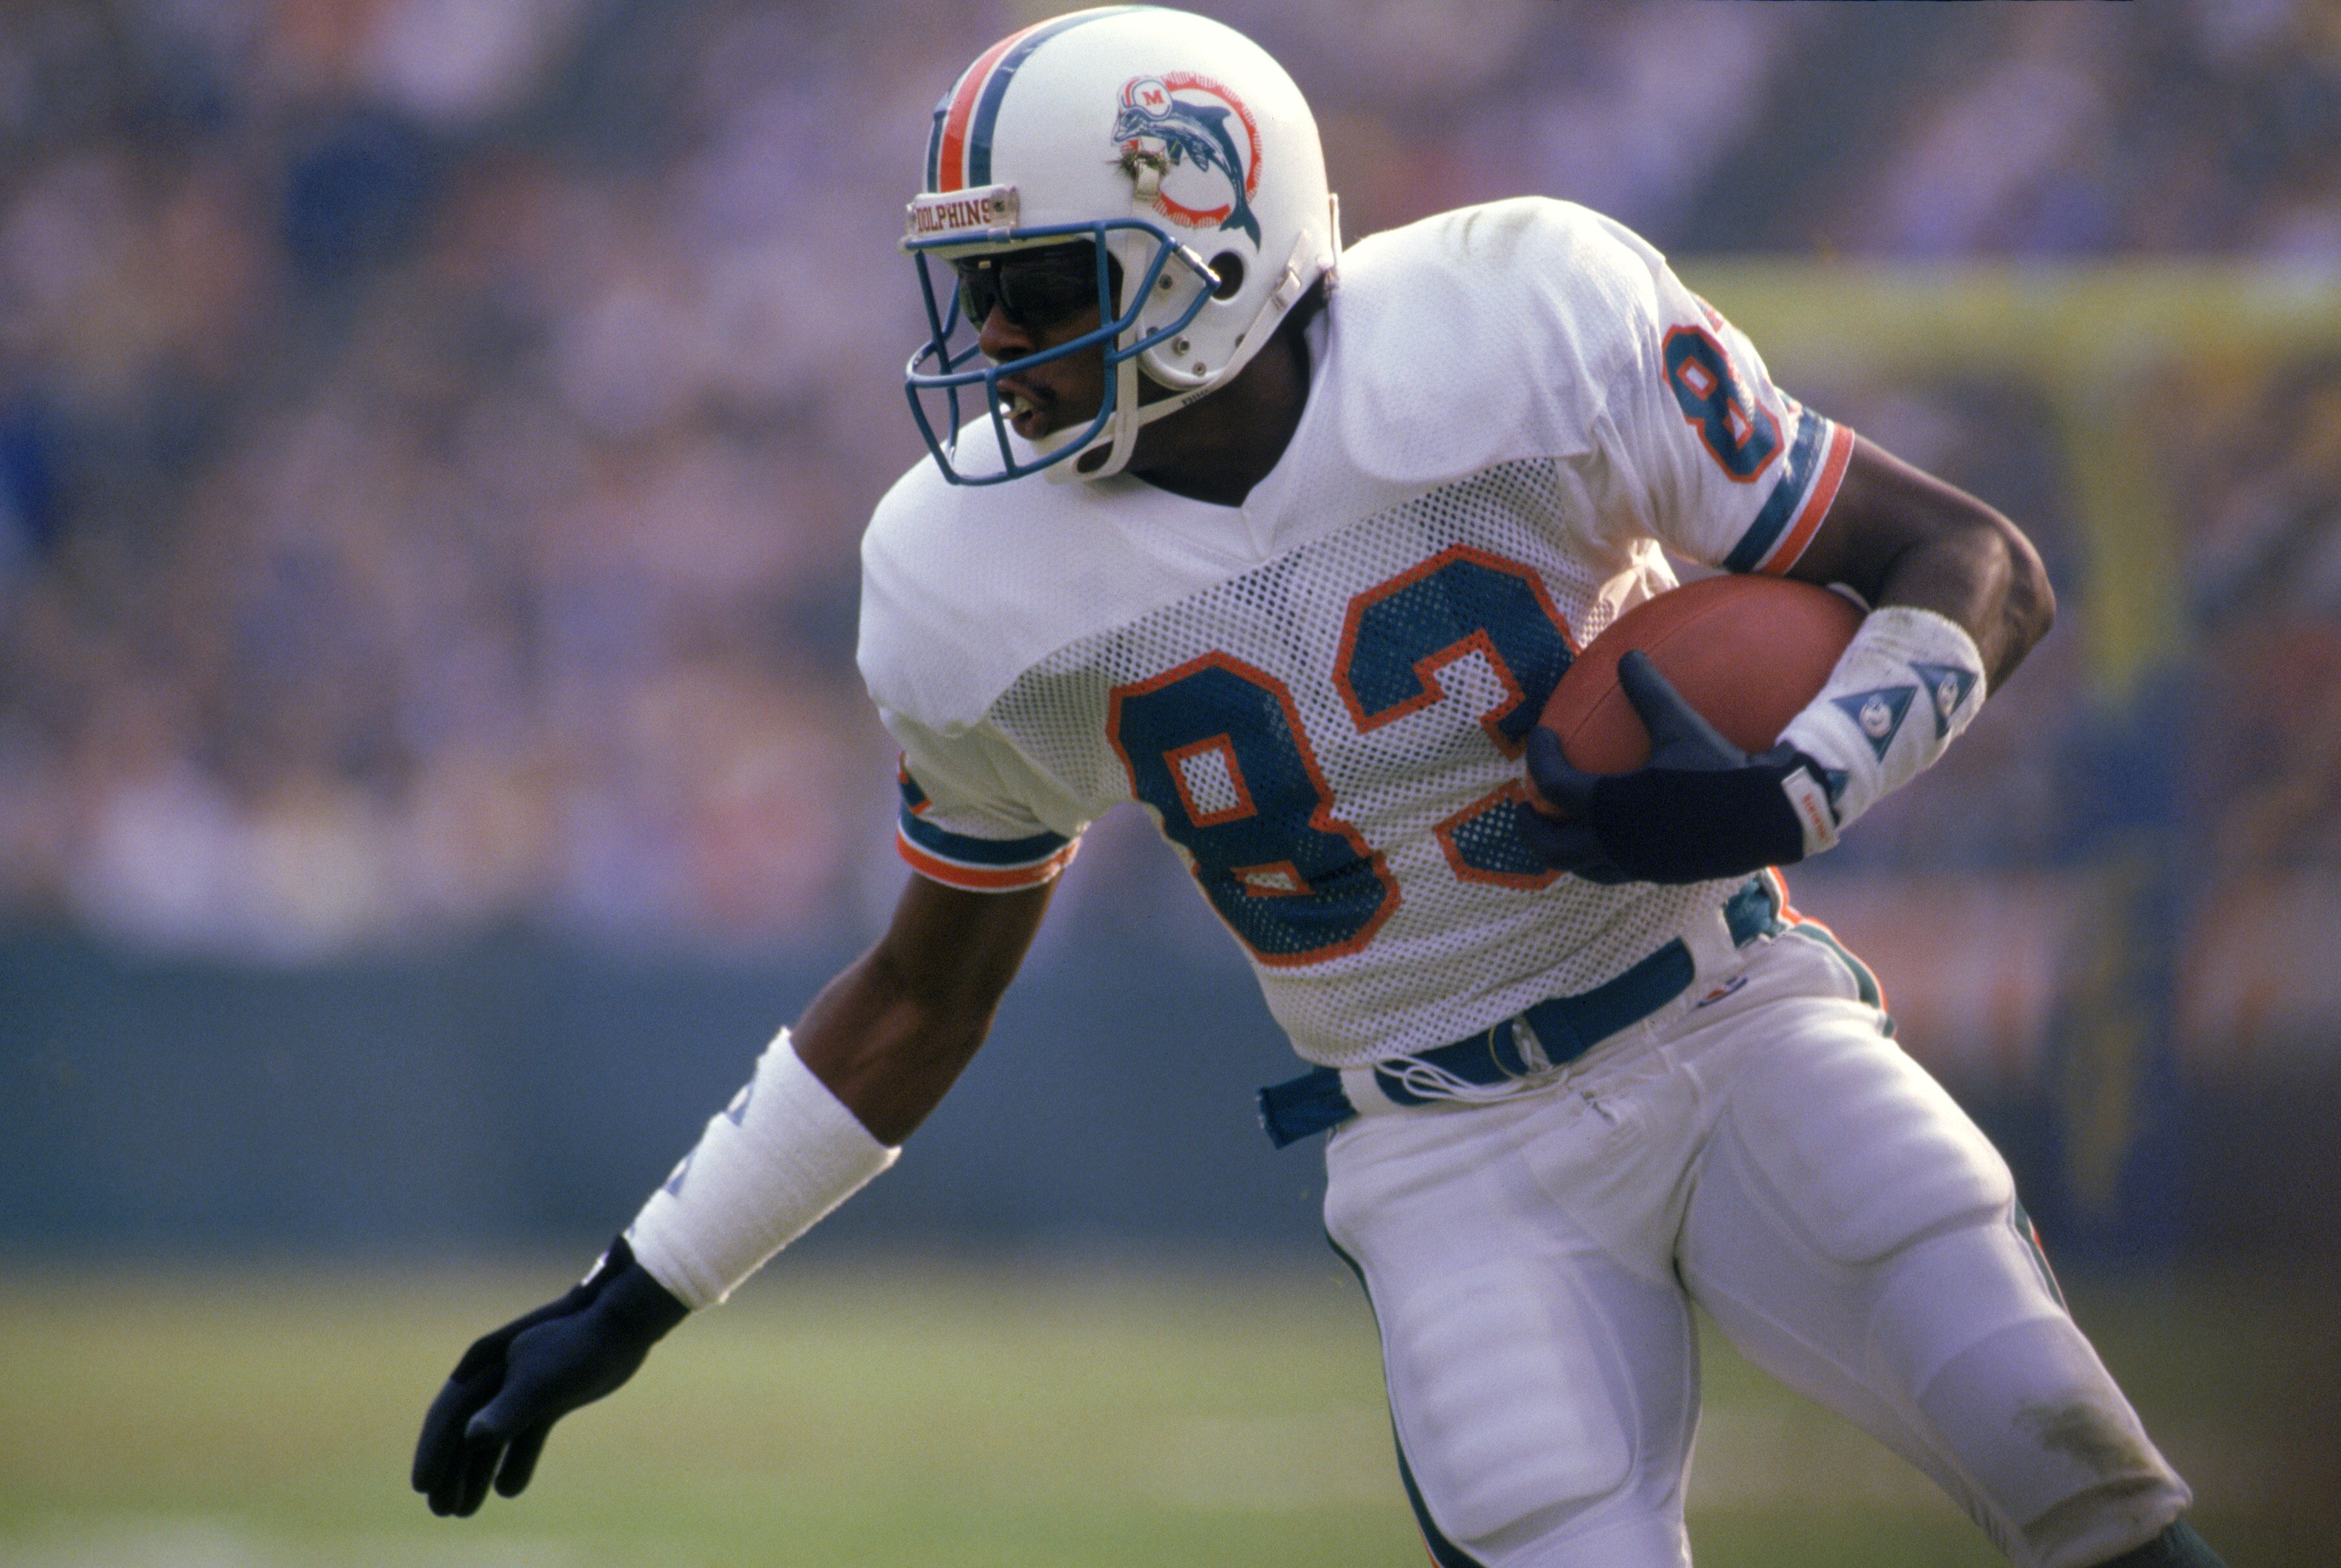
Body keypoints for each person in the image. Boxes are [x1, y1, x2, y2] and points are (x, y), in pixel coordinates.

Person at [412, 10, 2229, 1566]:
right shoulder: (965, 578)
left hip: (1732, 1011)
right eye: (975, 292)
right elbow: (920, 993)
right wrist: (631, 1290)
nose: (994, 351)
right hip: (1445, 1148)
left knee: (2065, 1456)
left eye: (1039, 287)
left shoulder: (1526, 317)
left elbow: (1973, 561)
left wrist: (1789, 793)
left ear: (1212, 239)